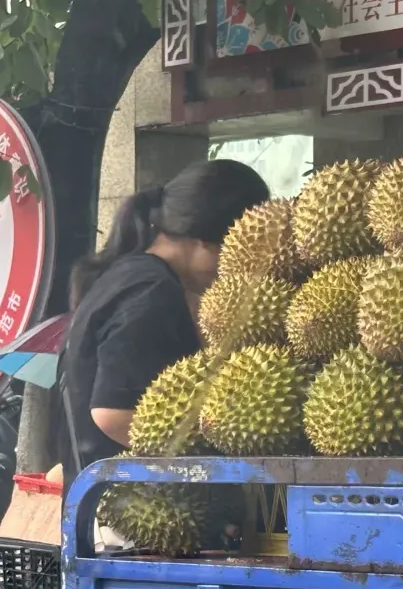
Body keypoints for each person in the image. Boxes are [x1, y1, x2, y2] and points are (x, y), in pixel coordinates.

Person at [57, 159, 270, 482]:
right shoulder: (151, 291)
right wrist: (212, 458)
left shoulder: (128, 275)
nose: (239, 273)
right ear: (210, 241)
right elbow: (113, 413)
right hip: (125, 509)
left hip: (115, 503)